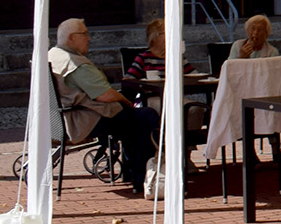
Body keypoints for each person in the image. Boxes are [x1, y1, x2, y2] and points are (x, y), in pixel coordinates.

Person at [49, 17, 158, 195]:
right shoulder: (76, 64)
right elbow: (105, 95)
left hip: (62, 119)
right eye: (84, 34)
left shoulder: (52, 54)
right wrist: (124, 100)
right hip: (83, 121)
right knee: (146, 116)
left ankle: (133, 174)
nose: (89, 38)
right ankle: (143, 179)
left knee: (132, 120)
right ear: (71, 38)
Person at [124, 18, 195, 79]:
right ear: (154, 37)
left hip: (174, 94)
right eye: (166, 33)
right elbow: (129, 80)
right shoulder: (143, 58)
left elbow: (193, 75)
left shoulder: (176, 57)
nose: (171, 36)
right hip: (152, 94)